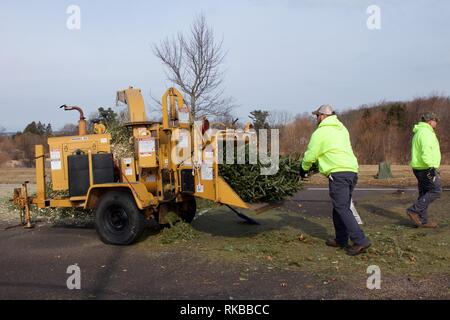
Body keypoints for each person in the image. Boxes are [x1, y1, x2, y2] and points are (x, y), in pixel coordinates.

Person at [300, 105, 371, 256]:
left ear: (322, 116)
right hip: (351, 171)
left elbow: (311, 154)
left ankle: (360, 240)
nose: (316, 119)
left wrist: (304, 168)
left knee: (342, 207)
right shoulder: (341, 128)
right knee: (340, 206)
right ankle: (341, 239)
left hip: (338, 173)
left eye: (317, 116)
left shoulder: (321, 132)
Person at [406, 112, 442, 228]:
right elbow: (426, 152)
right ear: (430, 121)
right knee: (436, 190)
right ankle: (414, 210)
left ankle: (423, 220)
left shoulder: (419, 132)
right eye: (436, 120)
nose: (437, 123)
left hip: (420, 168)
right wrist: (431, 167)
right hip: (426, 168)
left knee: (424, 193)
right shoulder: (426, 133)